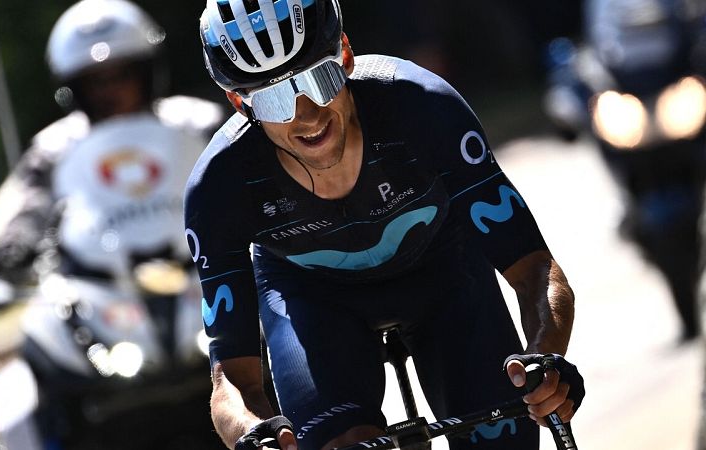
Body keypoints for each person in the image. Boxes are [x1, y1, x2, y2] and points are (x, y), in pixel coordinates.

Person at [185, 1, 584, 449]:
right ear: (240, 103)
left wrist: (545, 358)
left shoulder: (420, 104)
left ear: (345, 56)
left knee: (500, 440)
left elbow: (534, 269)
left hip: (442, 268)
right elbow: (231, 381)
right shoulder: (218, 186)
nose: (307, 115)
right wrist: (250, 433)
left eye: (319, 79)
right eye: (274, 99)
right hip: (312, 298)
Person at [0, 0, 224, 284]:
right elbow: (34, 206)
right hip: (97, 288)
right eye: (95, 81)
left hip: (208, 268)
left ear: (147, 71)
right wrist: (16, 243)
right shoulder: (53, 148)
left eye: (123, 74)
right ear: (74, 87)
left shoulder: (197, 122)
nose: (111, 90)